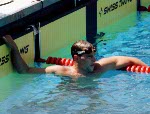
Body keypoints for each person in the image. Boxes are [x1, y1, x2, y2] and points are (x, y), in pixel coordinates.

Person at [2, 35, 148, 78]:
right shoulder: (62, 71)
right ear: (76, 58)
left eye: (94, 56)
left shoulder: (100, 68)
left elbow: (130, 59)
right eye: (90, 57)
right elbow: (25, 71)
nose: (95, 60)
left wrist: (147, 69)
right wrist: (14, 48)